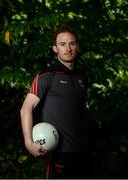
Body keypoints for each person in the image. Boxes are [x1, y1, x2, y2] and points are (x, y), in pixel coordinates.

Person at [20, 25, 94, 179]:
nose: (68, 48)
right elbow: (26, 109)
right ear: (55, 48)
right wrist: (29, 142)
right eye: (62, 44)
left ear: (77, 46)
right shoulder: (46, 75)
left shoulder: (82, 77)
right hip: (59, 153)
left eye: (72, 43)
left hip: (85, 151)